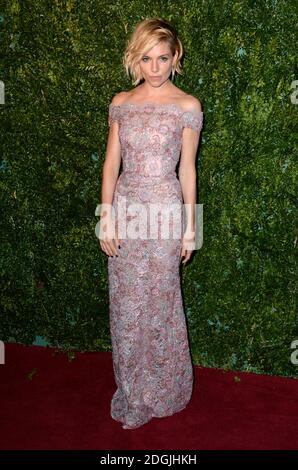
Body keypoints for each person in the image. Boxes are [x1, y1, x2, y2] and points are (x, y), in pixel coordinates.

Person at [98, 17, 203, 429]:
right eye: (146, 58)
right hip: (125, 208)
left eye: (162, 57)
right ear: (135, 59)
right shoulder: (121, 102)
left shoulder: (188, 106)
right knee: (126, 304)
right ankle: (131, 389)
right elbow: (110, 165)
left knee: (159, 302)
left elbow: (188, 171)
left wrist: (191, 227)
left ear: (176, 57)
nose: (154, 67)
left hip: (163, 212)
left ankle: (162, 390)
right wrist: (105, 218)